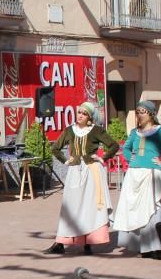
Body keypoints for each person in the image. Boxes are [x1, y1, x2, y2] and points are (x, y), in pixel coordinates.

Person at [44, 102, 119, 255]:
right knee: (70, 207)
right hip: (74, 172)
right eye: (79, 112)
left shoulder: (96, 131)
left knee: (89, 207)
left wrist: (102, 157)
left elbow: (113, 145)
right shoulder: (70, 131)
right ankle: (60, 242)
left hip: (92, 172)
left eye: (84, 113)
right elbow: (55, 148)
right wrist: (66, 160)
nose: (80, 115)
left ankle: (87, 242)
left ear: (90, 117)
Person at [112, 101, 161, 259]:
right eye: (137, 111)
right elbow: (126, 149)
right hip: (134, 176)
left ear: (151, 113)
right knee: (137, 212)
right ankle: (143, 246)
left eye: (143, 111)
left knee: (154, 212)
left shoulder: (160, 131)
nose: (139, 115)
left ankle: (157, 247)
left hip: (152, 175)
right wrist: (132, 159)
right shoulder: (134, 132)